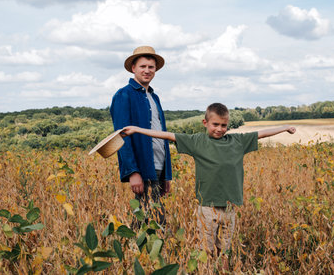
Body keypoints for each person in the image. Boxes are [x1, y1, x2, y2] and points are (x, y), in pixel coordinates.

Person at [122, 103, 296, 271]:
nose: (219, 129)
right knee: (206, 248)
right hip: (207, 206)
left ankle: (223, 270)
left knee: (225, 249)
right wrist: (137, 129)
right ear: (205, 123)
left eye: (224, 125)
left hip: (230, 206)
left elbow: (261, 133)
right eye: (215, 124)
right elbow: (168, 135)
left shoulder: (237, 141)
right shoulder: (197, 141)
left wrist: (285, 127)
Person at [110, 46, 172, 227]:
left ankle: (135, 252)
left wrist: (166, 175)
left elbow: (162, 134)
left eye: (151, 67)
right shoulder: (123, 95)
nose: (147, 71)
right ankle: (136, 252)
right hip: (143, 167)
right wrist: (133, 172)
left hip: (159, 166)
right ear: (133, 68)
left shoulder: (155, 97)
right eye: (142, 66)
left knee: (147, 218)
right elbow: (121, 136)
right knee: (154, 220)